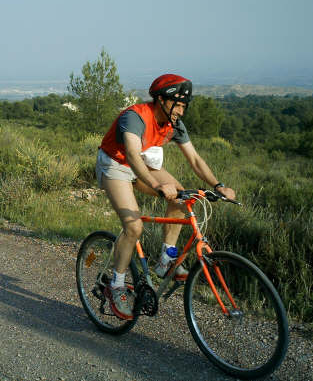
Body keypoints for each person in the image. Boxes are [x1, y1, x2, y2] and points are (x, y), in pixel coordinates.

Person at [96, 73, 236, 320]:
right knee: (134, 227)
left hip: (143, 166)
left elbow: (194, 159)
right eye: (177, 104)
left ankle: (164, 260)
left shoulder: (174, 125)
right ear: (161, 100)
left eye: (184, 106)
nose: (181, 111)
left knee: (182, 199)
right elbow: (130, 153)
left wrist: (218, 185)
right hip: (115, 165)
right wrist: (155, 184)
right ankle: (115, 286)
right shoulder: (135, 116)